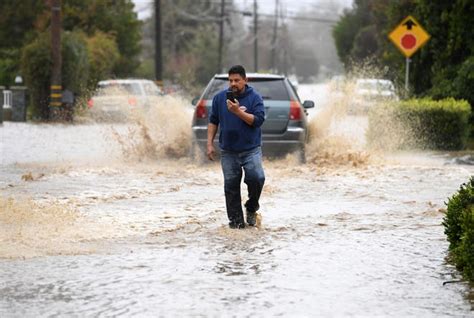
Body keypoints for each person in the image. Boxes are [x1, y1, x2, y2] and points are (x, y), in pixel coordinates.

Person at [207, 65, 266, 229]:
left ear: (245, 80)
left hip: (251, 150)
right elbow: (213, 121)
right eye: (231, 80)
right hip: (228, 151)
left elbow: (258, 121)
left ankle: (251, 207)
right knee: (231, 187)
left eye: (237, 80)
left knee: (257, 178)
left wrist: (237, 112)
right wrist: (209, 144)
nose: (233, 83)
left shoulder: (255, 98)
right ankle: (236, 225)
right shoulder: (219, 99)